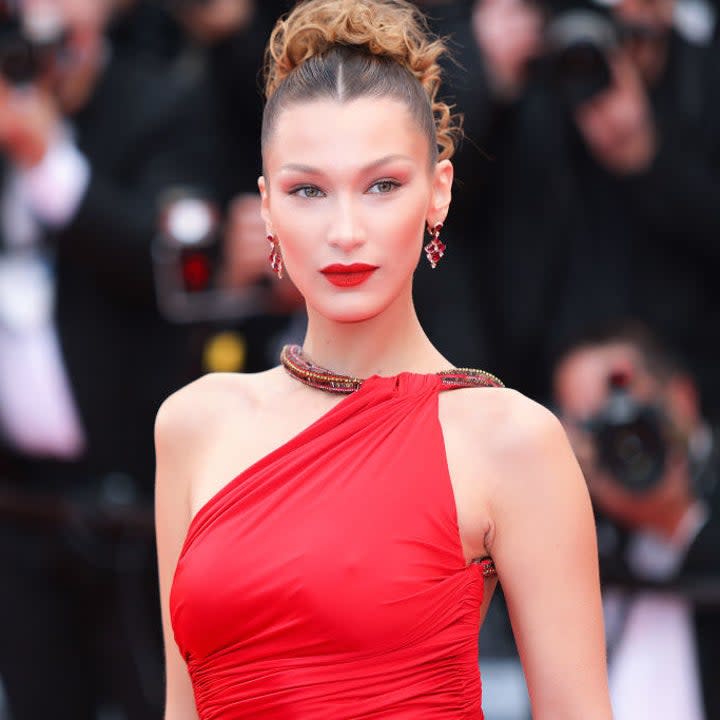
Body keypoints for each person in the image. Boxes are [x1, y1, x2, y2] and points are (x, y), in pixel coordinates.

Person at [155, 1, 612, 717]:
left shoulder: (512, 442)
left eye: (382, 186)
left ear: (438, 192)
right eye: (308, 190)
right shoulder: (192, 425)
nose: (345, 230)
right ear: (267, 208)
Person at [552, 321, 720, 719]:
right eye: (598, 426)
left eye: (635, 415)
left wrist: (673, 512)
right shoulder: (575, 551)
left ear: (681, 400)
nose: (626, 443)